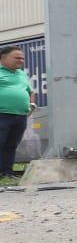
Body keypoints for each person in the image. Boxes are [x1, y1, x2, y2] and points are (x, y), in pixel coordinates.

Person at [0, 45, 35, 180]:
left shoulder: (21, 74)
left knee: (11, 145)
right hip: (2, 115)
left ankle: (6, 172)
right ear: (3, 57)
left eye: (22, 58)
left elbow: (30, 91)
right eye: (17, 58)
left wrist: (31, 105)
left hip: (20, 116)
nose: (21, 60)